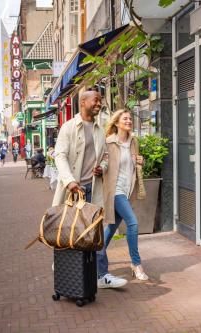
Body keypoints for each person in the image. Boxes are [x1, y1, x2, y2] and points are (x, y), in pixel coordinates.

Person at [52, 90, 128, 288]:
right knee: (70, 230)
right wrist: (69, 181)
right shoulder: (68, 128)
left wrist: (101, 167)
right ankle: (65, 265)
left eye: (100, 101)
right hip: (73, 189)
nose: (99, 103)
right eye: (96, 100)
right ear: (83, 102)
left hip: (92, 189)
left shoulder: (99, 130)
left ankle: (101, 275)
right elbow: (59, 155)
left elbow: (104, 156)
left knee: (95, 233)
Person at [97, 109, 148, 287]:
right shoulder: (109, 142)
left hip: (128, 189)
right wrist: (100, 169)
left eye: (129, 118)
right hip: (115, 189)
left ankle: (96, 257)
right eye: (125, 118)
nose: (128, 120)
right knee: (132, 223)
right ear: (117, 123)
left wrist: (141, 162)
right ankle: (136, 264)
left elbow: (135, 165)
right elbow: (103, 163)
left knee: (111, 227)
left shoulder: (134, 141)